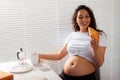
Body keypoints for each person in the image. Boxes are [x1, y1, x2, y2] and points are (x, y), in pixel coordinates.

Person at [38, 5, 107, 80]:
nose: (84, 19)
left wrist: (95, 49)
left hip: (85, 77)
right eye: (80, 17)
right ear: (76, 20)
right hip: (65, 76)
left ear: (91, 18)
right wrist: (40, 55)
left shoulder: (98, 35)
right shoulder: (72, 35)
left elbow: (99, 63)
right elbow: (59, 55)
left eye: (87, 16)